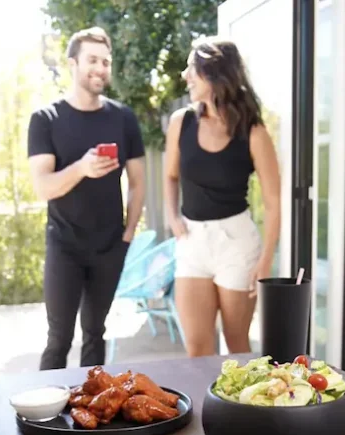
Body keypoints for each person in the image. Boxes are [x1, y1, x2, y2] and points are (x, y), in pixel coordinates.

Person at [28, 26, 146, 370]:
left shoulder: (123, 118)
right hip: (64, 245)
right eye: (92, 60)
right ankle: (41, 414)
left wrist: (128, 234)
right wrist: (81, 168)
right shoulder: (46, 119)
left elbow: (138, 182)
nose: (101, 68)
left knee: (96, 333)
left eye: (106, 61)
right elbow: (43, 187)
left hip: (110, 245)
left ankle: (94, 415)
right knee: (59, 338)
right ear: (72, 64)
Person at [163, 37, 281, 357]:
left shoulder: (252, 131)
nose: (185, 75)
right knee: (197, 349)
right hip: (192, 241)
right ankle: (206, 410)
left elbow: (273, 202)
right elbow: (171, 176)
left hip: (236, 243)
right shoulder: (181, 122)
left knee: (237, 346)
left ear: (214, 74)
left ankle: (242, 409)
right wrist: (172, 216)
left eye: (192, 68)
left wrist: (266, 261)